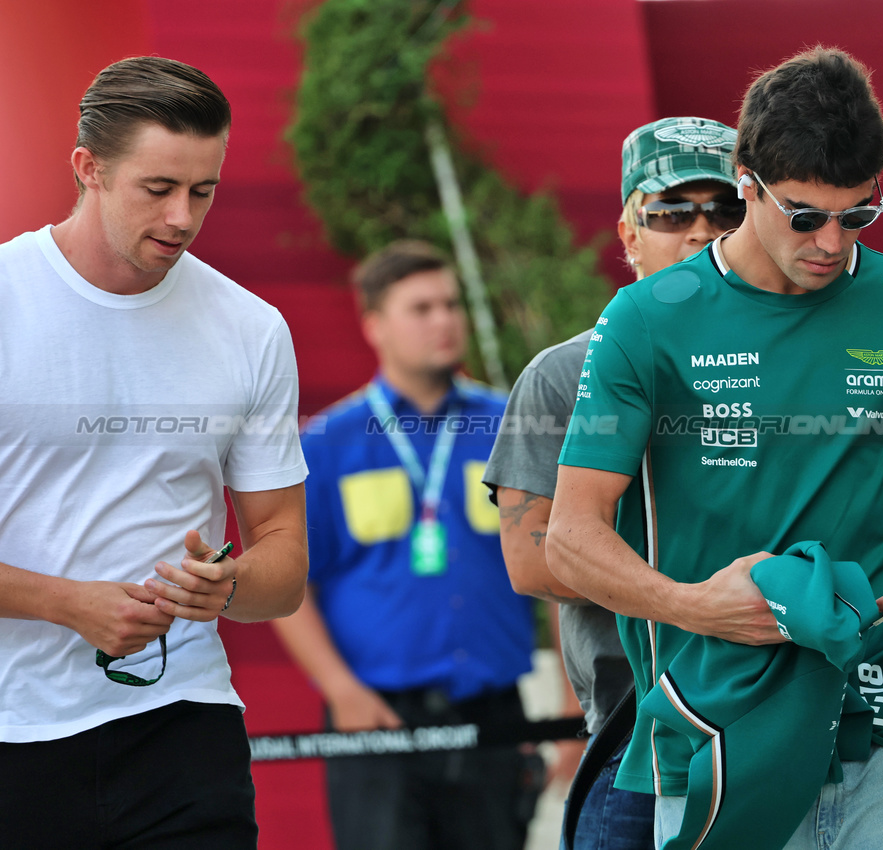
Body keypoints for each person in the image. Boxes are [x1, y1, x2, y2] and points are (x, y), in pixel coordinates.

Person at [546, 47, 883, 850]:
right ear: (745, 182)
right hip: (720, 732)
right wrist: (693, 607)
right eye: (803, 215)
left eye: (857, 214)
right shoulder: (646, 319)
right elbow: (570, 540)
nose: (830, 241)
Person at [0, 56, 309, 847]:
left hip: (182, 725)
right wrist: (67, 603)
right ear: (88, 169)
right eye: (158, 188)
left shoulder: (251, 328)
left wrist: (227, 587)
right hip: (14, 732)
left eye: (203, 191)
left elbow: (284, 570)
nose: (182, 217)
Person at [483, 115, 744, 849]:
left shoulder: (794, 363)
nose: (699, 231)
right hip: (636, 729)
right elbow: (531, 559)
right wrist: (700, 596)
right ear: (629, 233)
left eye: (723, 210)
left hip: (777, 714)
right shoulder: (565, 374)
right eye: (669, 213)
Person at [271, 240, 536, 850]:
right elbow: (290, 583)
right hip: (376, 722)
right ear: (375, 326)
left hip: (494, 716)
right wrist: (341, 691)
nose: (443, 320)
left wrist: (578, 711)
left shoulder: (508, 426)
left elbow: (555, 559)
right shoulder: (329, 442)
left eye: (450, 304)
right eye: (421, 308)